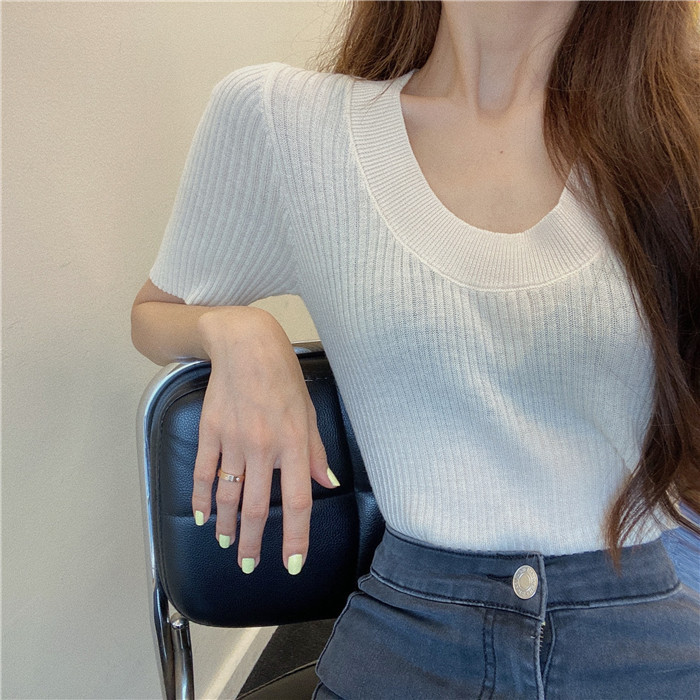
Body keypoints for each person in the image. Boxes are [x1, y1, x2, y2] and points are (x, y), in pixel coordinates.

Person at [131, 1, 700, 697]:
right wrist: (237, 330)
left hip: (645, 626)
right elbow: (154, 312)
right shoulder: (287, 123)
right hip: (411, 634)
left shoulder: (677, 137)